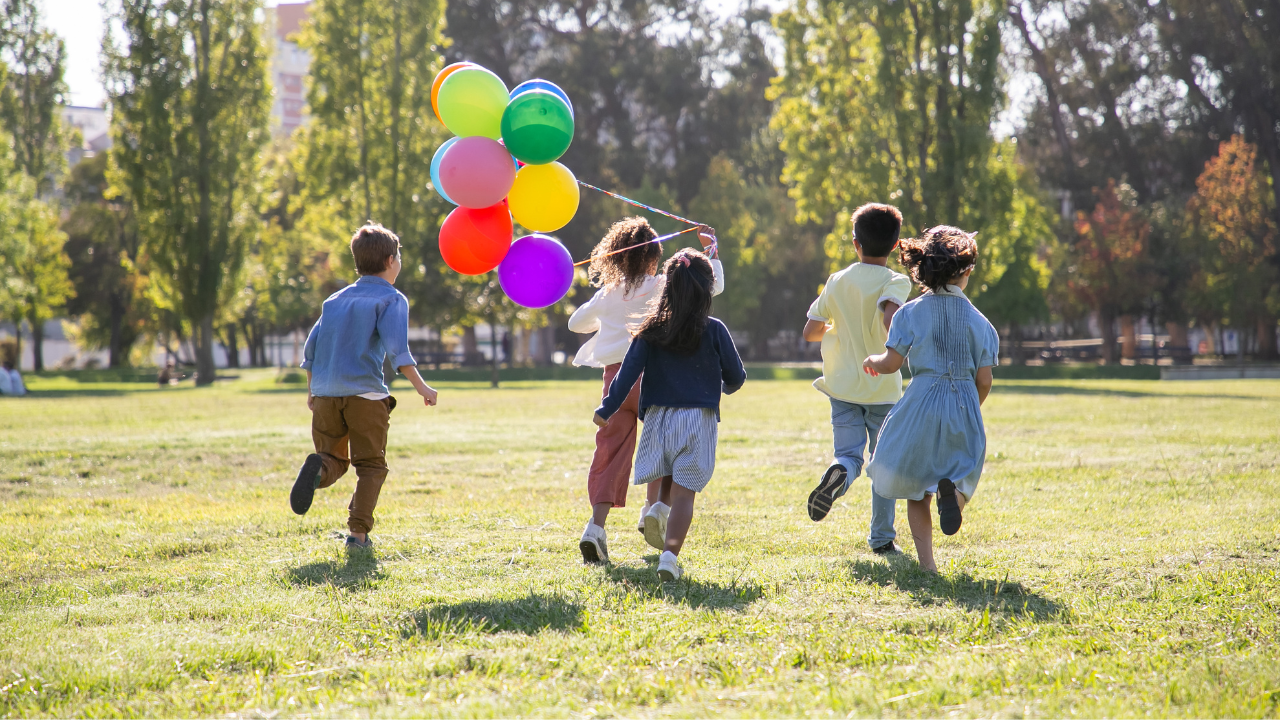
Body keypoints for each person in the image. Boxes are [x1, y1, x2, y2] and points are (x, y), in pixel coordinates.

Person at [569, 217, 723, 564]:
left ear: (616, 259)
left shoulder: (608, 294)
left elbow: (575, 323)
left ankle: (595, 527)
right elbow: (712, 286)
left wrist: (607, 308)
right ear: (654, 257)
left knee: (609, 453)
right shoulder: (662, 286)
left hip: (615, 384)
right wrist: (710, 250)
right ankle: (653, 510)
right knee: (665, 447)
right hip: (653, 379)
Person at [593, 249, 745, 581]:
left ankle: (658, 508)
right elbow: (736, 376)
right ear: (707, 290)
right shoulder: (715, 329)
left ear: (668, 287)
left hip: (659, 419)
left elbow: (626, 375)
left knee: (666, 470)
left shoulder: (650, 329)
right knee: (685, 495)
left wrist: (606, 408)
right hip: (697, 420)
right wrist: (722, 385)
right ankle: (669, 557)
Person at [290, 223, 439, 551]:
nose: (399, 262)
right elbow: (398, 352)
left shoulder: (335, 300)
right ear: (390, 261)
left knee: (333, 459)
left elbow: (310, 350)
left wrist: (312, 390)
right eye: (399, 256)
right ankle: (357, 535)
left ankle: (317, 469)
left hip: (326, 394)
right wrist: (423, 388)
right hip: (365, 395)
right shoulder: (391, 299)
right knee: (371, 466)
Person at [862, 226, 998, 572]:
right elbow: (984, 379)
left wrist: (873, 361)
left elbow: (891, 364)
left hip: (920, 401)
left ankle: (928, 567)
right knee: (963, 472)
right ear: (966, 271)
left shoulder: (909, 313)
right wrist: (970, 407)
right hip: (964, 402)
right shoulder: (982, 324)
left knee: (915, 487)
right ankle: (954, 497)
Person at [801, 203, 913, 555]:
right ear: (895, 246)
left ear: (855, 244)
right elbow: (890, 318)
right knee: (884, 463)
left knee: (848, 455)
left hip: (842, 387)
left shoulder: (837, 280)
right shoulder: (896, 280)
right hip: (881, 387)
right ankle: (882, 539)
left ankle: (838, 473)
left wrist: (840, 329)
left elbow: (810, 332)